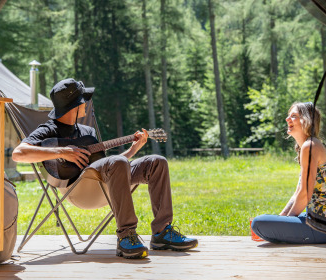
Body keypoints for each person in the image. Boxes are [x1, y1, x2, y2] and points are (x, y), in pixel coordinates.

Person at [12, 78, 198, 259]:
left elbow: (111, 167)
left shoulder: (88, 132)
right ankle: (126, 235)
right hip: (78, 190)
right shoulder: (48, 130)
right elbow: (18, 154)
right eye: (83, 100)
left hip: (103, 183)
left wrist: (132, 151)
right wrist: (63, 152)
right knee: (117, 162)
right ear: (75, 105)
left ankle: (162, 232)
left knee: (156, 162)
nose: (86, 104)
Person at [251, 102, 326, 244]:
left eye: (294, 116)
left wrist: (284, 224)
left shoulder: (310, 146)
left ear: (306, 120)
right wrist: (281, 218)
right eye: (288, 115)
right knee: (266, 222)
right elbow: (297, 194)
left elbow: (304, 194)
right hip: (322, 222)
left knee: (259, 223)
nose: (287, 119)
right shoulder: (308, 146)